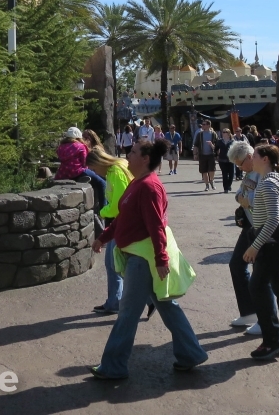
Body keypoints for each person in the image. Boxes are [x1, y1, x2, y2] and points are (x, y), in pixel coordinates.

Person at [89, 139, 208, 380]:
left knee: (128, 313)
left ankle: (113, 366)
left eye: (132, 152)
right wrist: (103, 238)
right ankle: (191, 354)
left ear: (145, 159)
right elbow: (125, 218)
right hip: (142, 256)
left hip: (143, 259)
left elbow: (156, 226)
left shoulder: (149, 187)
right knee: (166, 306)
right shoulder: (139, 183)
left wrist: (161, 259)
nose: (127, 155)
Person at [242, 144, 279, 359]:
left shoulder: (268, 184)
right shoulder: (273, 178)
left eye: (255, 155)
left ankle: (272, 340)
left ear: (265, 159)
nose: (251, 157)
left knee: (257, 286)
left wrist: (255, 246)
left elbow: (273, 219)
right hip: (278, 238)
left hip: (273, 241)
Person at [89, 147, 134, 315]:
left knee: (115, 264)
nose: (95, 173)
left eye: (93, 169)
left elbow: (120, 203)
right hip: (123, 222)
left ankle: (117, 302)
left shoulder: (115, 171)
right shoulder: (118, 167)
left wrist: (102, 212)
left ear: (99, 163)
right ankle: (118, 301)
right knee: (120, 264)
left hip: (122, 222)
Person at [228, 140, 262, 336]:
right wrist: (243, 200)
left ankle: (265, 318)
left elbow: (253, 200)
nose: (239, 168)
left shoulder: (260, 173)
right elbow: (240, 195)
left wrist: (244, 200)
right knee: (236, 264)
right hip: (250, 225)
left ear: (249, 157)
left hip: (261, 226)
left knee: (261, 274)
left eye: (240, 164)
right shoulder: (249, 172)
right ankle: (249, 312)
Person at [55, 127, 106, 209]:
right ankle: (103, 209)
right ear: (78, 137)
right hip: (78, 171)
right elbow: (85, 163)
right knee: (102, 183)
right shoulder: (81, 146)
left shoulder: (61, 147)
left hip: (64, 172)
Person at [193, 120, 218, 190]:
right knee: (204, 170)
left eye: (204, 124)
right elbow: (196, 145)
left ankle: (212, 181)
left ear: (208, 125)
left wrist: (212, 146)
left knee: (212, 170)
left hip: (211, 155)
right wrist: (195, 154)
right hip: (202, 155)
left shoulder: (213, 134)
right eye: (202, 124)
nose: (202, 126)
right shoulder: (200, 134)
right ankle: (207, 185)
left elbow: (217, 145)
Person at [216, 128, 235, 192]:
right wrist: (216, 155)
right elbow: (216, 149)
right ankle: (225, 188)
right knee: (224, 174)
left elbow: (236, 150)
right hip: (222, 160)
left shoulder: (232, 141)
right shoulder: (220, 141)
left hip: (231, 160)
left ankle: (229, 185)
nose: (223, 133)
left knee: (231, 174)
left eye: (225, 132)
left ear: (228, 133)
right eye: (223, 132)